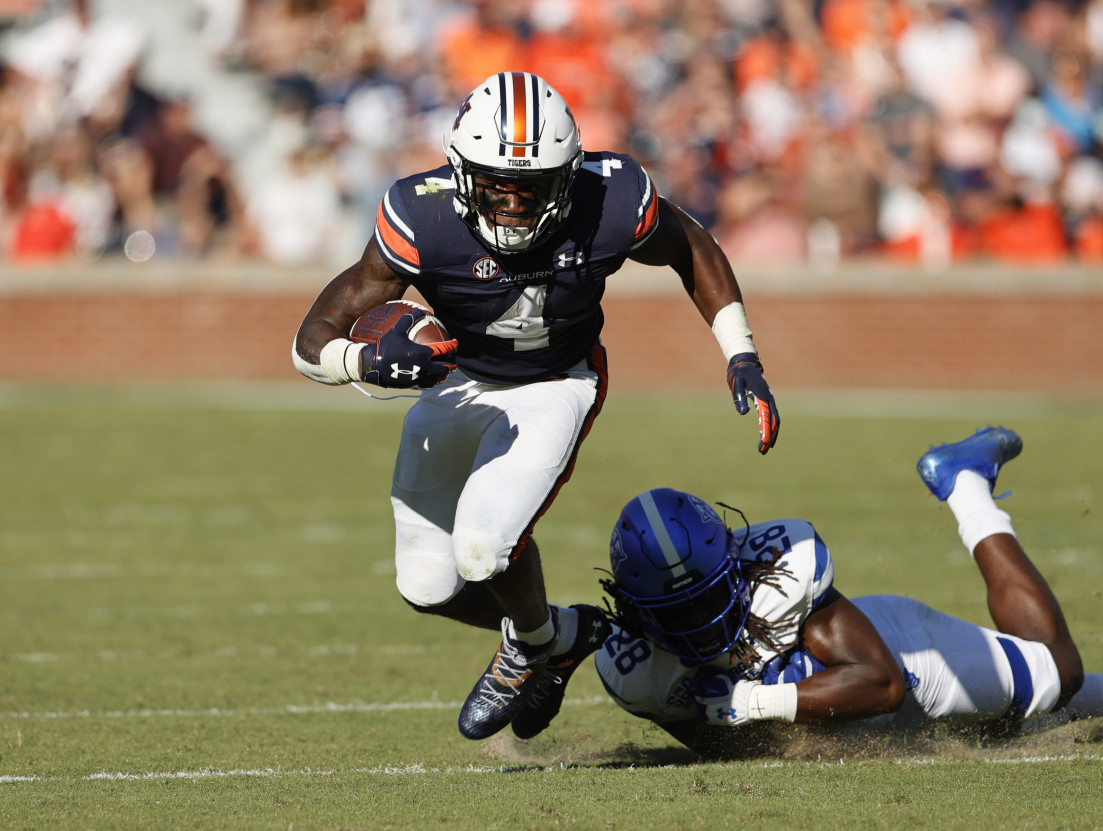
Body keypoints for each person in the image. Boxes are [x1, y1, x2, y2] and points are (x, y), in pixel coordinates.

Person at [291, 71, 780, 742]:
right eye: (497, 183)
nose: (514, 204)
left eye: (532, 186)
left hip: (558, 380)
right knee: (428, 585)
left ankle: (526, 648)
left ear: (568, 174)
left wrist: (740, 351)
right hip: (459, 381)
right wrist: (362, 362)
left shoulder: (609, 199)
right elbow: (309, 339)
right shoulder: (422, 213)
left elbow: (688, 243)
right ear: (463, 172)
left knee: (485, 546)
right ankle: (564, 633)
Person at [594, 426, 1103, 757]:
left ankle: (965, 486)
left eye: (706, 598)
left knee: (1056, 674)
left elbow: (881, 684)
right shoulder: (632, 669)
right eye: (679, 611)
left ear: (735, 566)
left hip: (904, 658)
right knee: (995, 731)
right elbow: (727, 746)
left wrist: (751, 703)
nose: (700, 621)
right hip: (850, 715)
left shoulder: (784, 573)